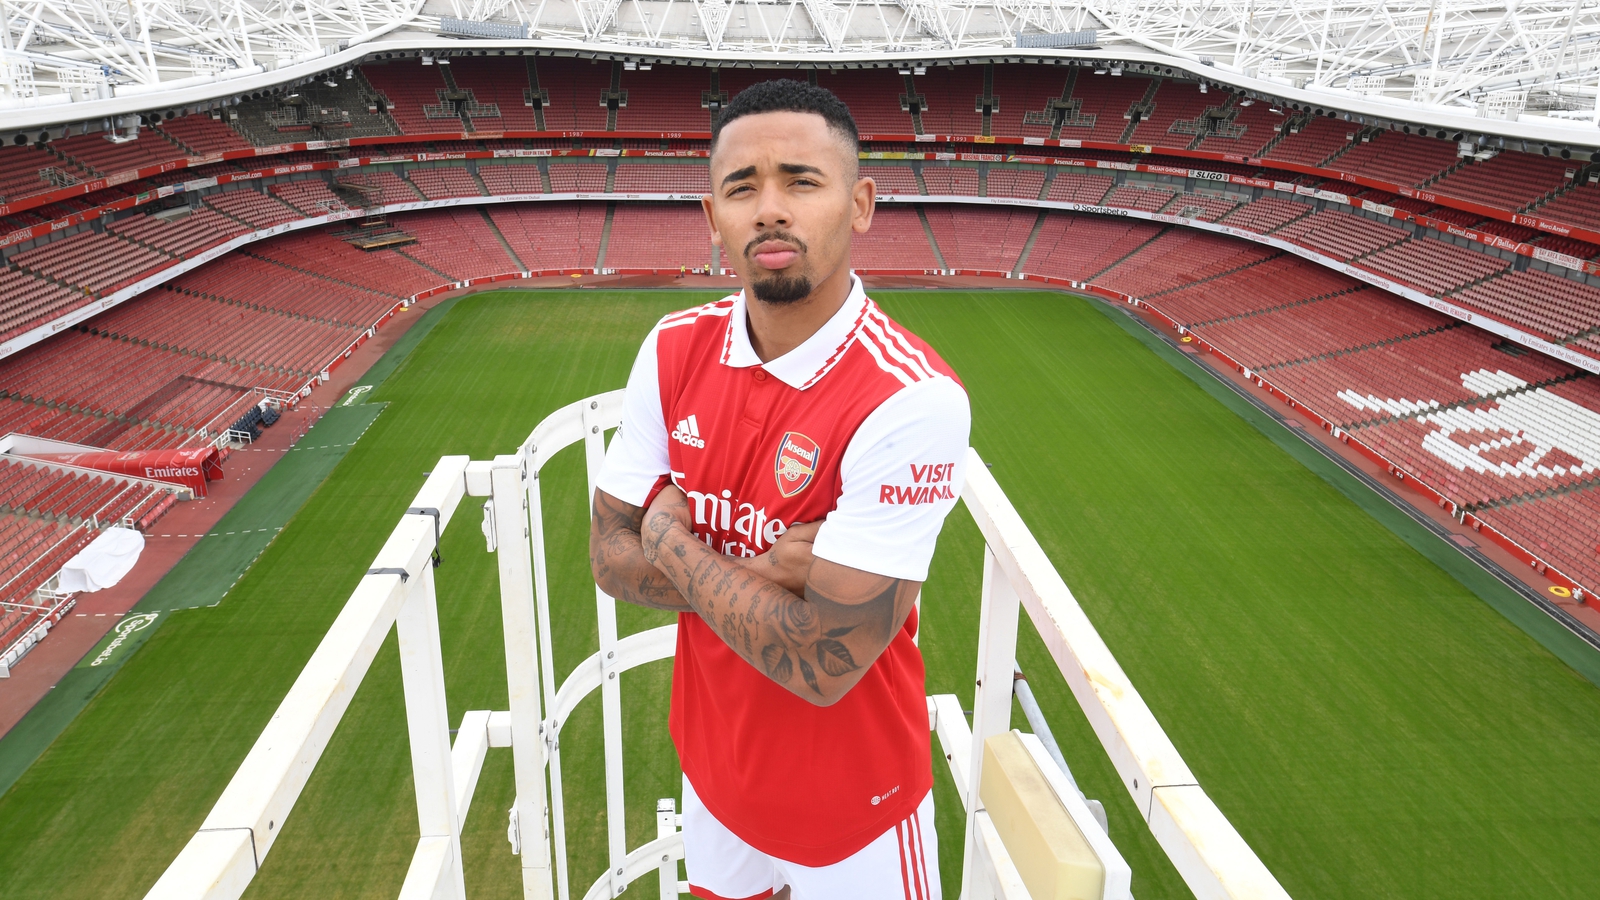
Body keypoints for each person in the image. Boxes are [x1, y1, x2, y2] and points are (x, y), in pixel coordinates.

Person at [590, 79, 970, 900]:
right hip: (714, 777)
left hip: (858, 812)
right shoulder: (671, 350)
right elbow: (604, 558)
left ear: (860, 203)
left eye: (801, 181)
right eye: (743, 187)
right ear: (712, 217)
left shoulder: (913, 399)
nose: (770, 208)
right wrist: (765, 572)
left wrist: (670, 539)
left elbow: (824, 660)